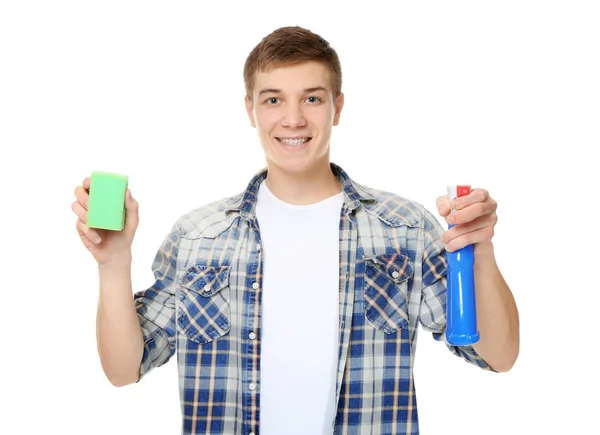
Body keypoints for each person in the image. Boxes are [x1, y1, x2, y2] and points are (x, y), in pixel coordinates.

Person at [72, 25, 519, 435]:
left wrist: (479, 251)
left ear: (337, 106)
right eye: (272, 99)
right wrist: (113, 263)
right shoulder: (196, 237)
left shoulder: (404, 228)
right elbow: (123, 369)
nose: (292, 119)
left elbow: (498, 356)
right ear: (250, 109)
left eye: (311, 98)